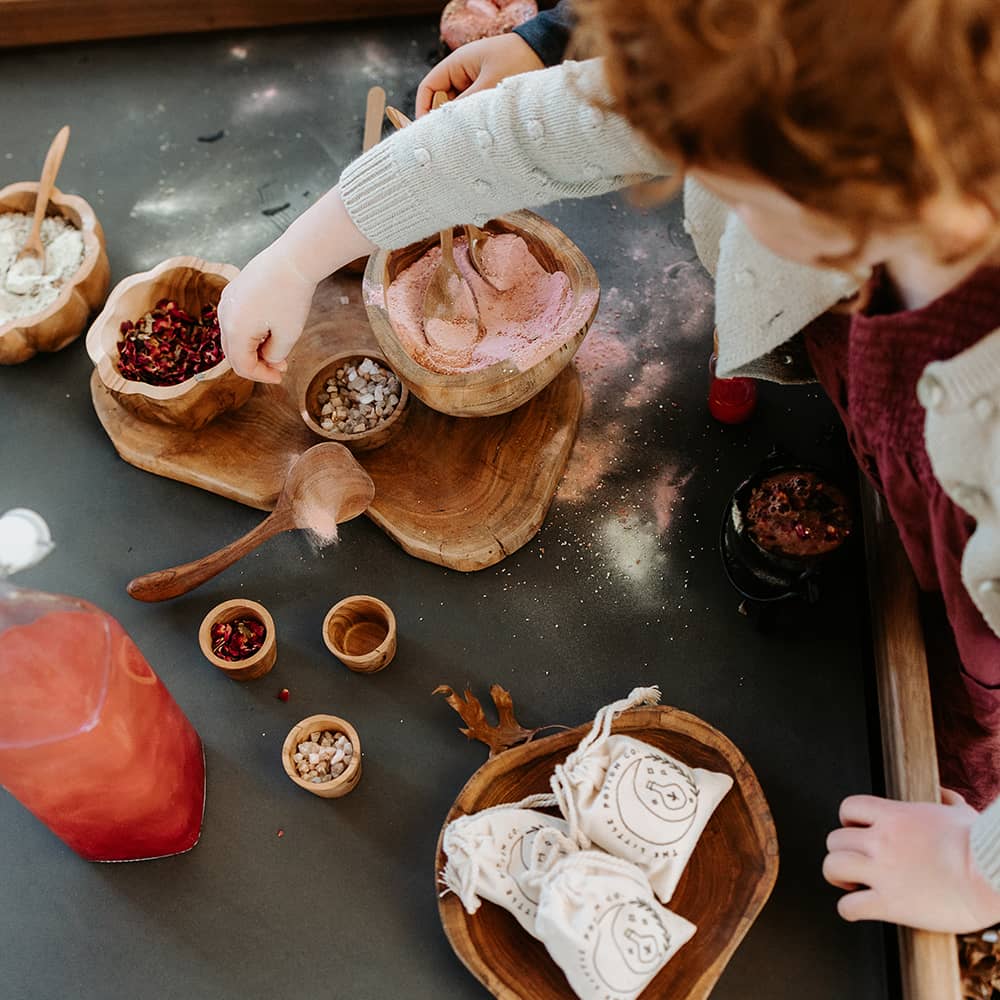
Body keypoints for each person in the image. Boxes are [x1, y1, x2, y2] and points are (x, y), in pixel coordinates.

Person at [218, 0, 1000, 933]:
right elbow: (539, 128)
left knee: (969, 687)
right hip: (891, 421)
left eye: (723, 173)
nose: (682, 167)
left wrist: (972, 868)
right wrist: (299, 253)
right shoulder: (791, 72)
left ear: (859, 170)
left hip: (972, 580)